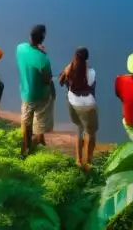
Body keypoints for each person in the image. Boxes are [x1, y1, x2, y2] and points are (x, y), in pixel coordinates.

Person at [16, 24, 54, 158]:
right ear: (42, 39)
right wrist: (42, 53)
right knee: (41, 115)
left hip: (26, 93)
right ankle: (37, 139)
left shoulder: (20, 48)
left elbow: (29, 55)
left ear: (30, 36)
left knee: (26, 120)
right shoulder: (43, 59)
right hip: (40, 94)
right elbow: (47, 79)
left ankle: (25, 148)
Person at [58, 46, 98, 171]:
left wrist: (67, 72)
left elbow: (60, 82)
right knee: (91, 132)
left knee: (79, 128)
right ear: (87, 59)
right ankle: (89, 161)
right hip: (88, 106)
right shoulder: (91, 72)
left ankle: (78, 160)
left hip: (73, 104)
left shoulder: (69, 68)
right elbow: (92, 90)